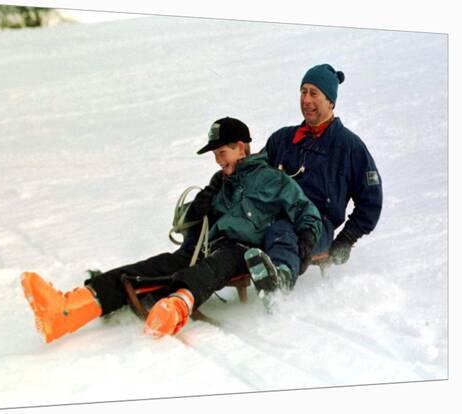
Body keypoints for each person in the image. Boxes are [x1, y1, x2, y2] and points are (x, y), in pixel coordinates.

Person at [21, 117, 322, 344]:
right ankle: (67, 310)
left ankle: (177, 307)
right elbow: (189, 224)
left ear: (241, 148)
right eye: (215, 155)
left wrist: (305, 244)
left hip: (245, 251)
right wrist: (200, 205)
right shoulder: (220, 184)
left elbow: (307, 213)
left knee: (216, 265)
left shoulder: (272, 180)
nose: (218, 161)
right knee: (151, 267)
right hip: (205, 246)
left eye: (222, 153)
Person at [263, 64, 383, 270]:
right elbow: (255, 173)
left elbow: (371, 200)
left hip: (316, 228)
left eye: (314, 93)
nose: (306, 100)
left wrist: (347, 238)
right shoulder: (282, 139)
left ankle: (278, 285)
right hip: (271, 219)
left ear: (330, 101)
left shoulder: (349, 147)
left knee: (283, 233)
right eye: (303, 92)